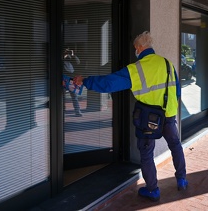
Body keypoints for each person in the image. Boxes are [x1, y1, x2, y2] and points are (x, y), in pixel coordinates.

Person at [74, 31, 188, 201]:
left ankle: (153, 190)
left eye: (135, 48)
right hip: (169, 116)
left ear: (140, 48)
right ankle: (182, 179)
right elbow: (177, 90)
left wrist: (85, 81)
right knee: (175, 146)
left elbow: (109, 83)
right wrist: (169, 108)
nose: (135, 51)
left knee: (147, 154)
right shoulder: (167, 64)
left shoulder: (136, 68)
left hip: (148, 119)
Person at [63, 48, 83, 117]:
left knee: (74, 96)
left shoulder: (71, 58)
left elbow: (78, 62)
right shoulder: (61, 58)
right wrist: (64, 55)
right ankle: (62, 110)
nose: (66, 52)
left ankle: (77, 111)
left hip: (71, 78)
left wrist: (73, 54)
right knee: (62, 96)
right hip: (63, 79)